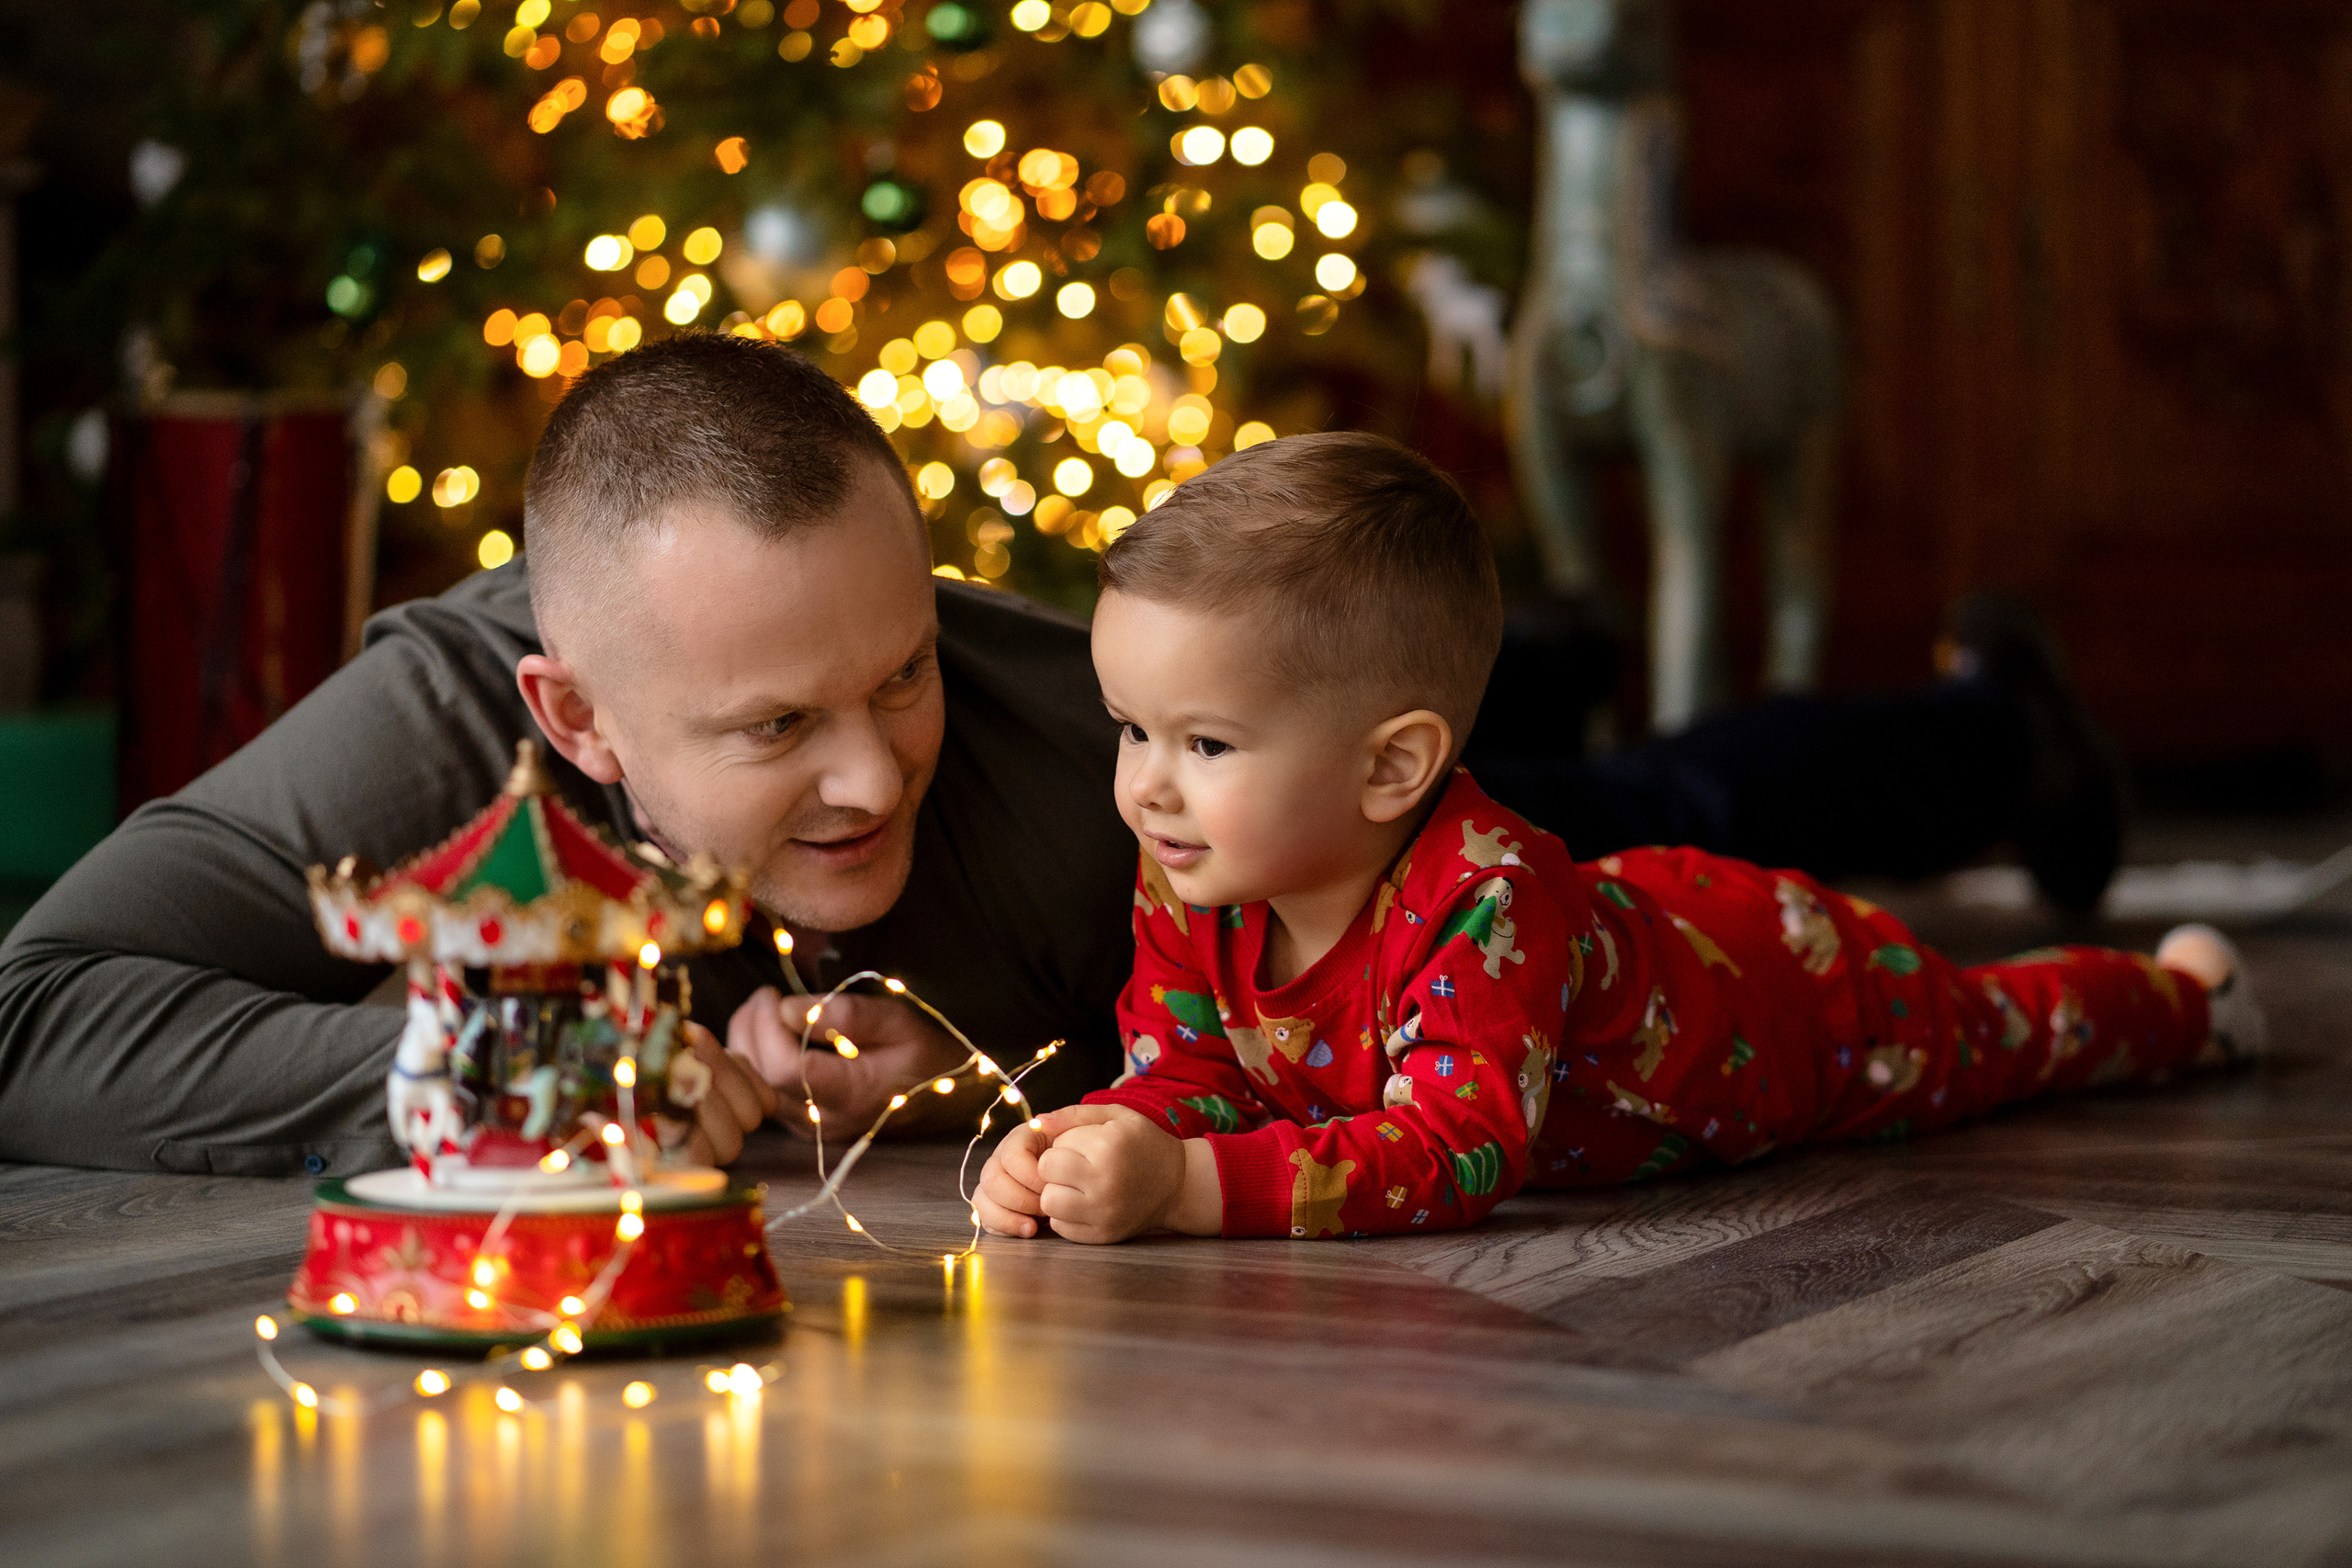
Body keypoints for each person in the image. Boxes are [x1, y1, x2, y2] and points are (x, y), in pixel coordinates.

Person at [0, 337, 2116, 1178]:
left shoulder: (1055, 758)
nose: (871, 778)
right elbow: (35, 1013)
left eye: (895, 674)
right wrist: (558, 1068)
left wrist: (967, 1075)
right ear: (573, 718)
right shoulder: (439, 728)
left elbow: (1283, 1081)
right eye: (773, 727)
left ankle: (1982, 732)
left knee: (1653, 832)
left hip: (1335, 835)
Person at [970, 434, 2259, 1244]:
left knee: (1995, 1035)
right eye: (1130, 730)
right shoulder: (1194, 871)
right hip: (1641, 919)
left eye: (1203, 745)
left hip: (1785, 998)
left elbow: (1458, 1150)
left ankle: (2190, 1005)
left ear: (1392, 767)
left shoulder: (1482, 900)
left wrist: (1187, 1190)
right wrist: (1097, 1139)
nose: (1146, 788)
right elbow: (1195, 1071)